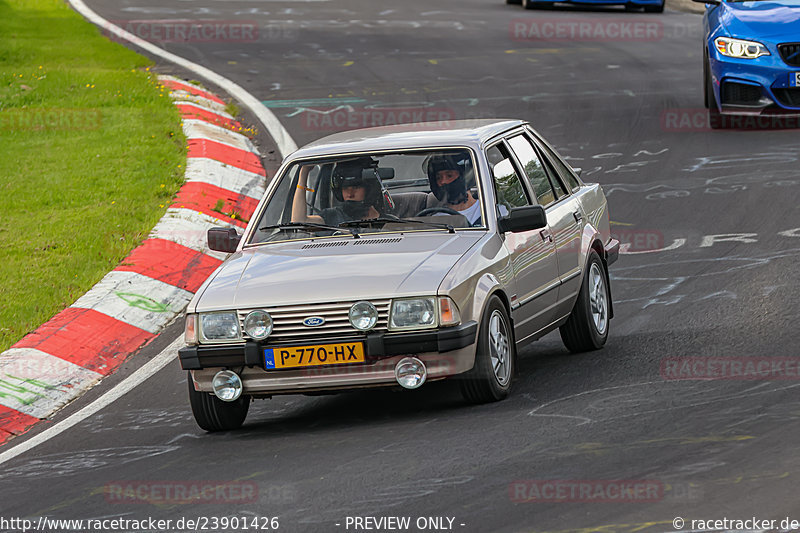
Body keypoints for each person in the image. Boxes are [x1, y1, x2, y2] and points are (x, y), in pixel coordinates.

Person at [292, 158, 385, 226]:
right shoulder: (332, 216)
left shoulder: (389, 222)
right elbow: (299, 221)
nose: (350, 194)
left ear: (369, 188)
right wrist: (304, 172)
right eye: (345, 188)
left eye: (356, 187)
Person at [426, 153, 481, 226]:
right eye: (438, 178)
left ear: (464, 177)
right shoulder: (436, 220)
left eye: (449, 175)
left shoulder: (488, 212)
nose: (443, 182)